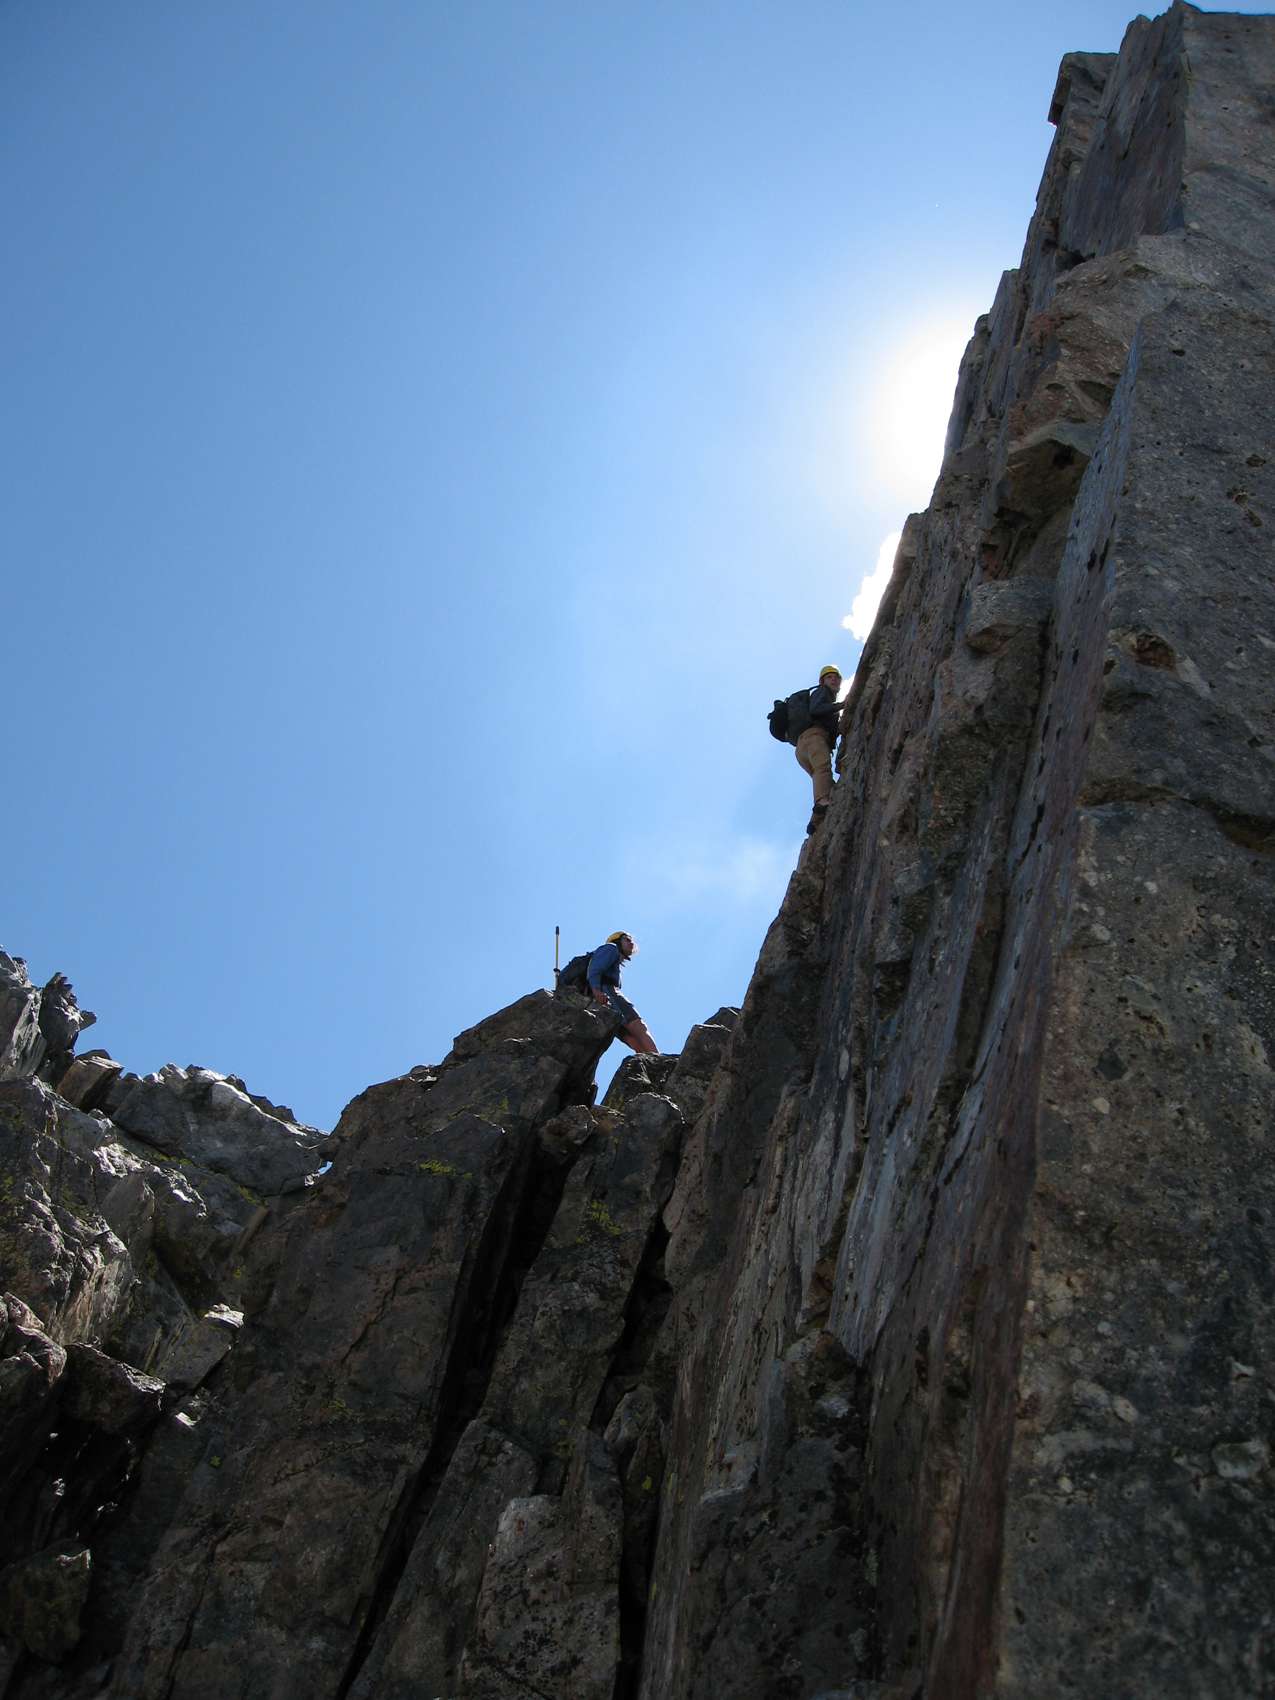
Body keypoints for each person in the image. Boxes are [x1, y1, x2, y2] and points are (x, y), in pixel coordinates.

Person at [587, 931, 659, 1055]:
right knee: (638, 1027)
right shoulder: (611, 948)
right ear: (617, 941)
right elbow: (594, 970)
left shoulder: (612, 957)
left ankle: (648, 1062)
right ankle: (658, 1060)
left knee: (631, 1039)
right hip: (607, 994)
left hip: (600, 1002)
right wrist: (596, 990)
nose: (632, 943)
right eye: (627, 939)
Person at [796, 664, 842, 833]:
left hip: (802, 748)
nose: (834, 680)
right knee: (823, 769)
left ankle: (815, 823)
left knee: (824, 780)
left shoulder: (826, 698)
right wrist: (842, 705)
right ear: (822, 681)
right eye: (829, 677)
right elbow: (816, 710)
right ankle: (822, 802)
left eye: (836, 677)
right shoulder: (822, 692)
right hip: (814, 738)